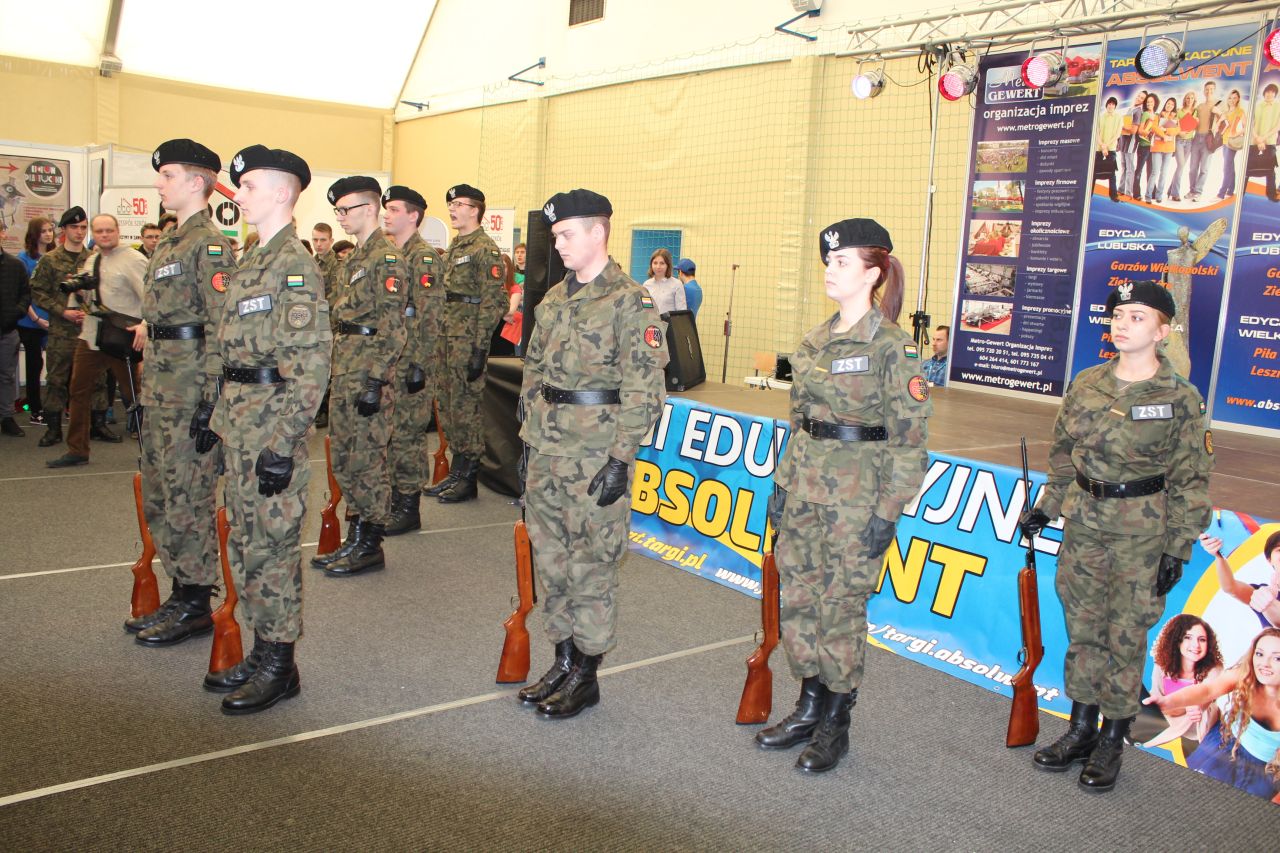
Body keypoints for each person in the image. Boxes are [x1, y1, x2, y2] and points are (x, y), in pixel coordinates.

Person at [1021, 280, 1213, 792]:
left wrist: (1177, 546)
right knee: (1083, 629)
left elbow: (1192, 479)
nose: (1122, 324)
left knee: (1125, 635)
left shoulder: (1181, 398)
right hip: (1084, 524)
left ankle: (1112, 738)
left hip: (1140, 533)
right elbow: (1064, 457)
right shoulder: (1087, 383)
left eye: (1137, 317)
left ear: (1163, 331)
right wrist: (1046, 507)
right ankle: (1081, 728)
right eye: (1118, 315)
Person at [756, 218, 930, 774]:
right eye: (828, 261)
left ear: (873, 273)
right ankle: (809, 705)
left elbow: (910, 440)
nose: (829, 270)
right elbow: (800, 422)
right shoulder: (815, 340)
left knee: (841, 607)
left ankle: (836, 719)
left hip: (858, 498)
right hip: (805, 488)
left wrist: (889, 510)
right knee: (799, 599)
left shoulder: (893, 347)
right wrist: (782, 488)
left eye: (842, 262)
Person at [517, 189, 668, 719]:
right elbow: (534, 370)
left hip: (595, 455)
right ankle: (562, 659)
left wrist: (621, 459)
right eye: (555, 235)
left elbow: (645, 388)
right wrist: (527, 439)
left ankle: (586, 672)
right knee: (551, 559)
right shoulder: (554, 299)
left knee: (592, 564)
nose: (558, 244)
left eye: (566, 234)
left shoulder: (630, 301)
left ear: (598, 232)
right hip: (547, 449)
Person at [205, 144, 331, 713]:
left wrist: (283, 444)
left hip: (270, 429)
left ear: (282, 192)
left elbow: (311, 365)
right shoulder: (254, 257)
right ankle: (261, 652)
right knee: (247, 542)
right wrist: (217, 420)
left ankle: (280, 664)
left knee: (273, 547)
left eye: (249, 185)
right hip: (240, 425)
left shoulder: (293, 266)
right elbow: (232, 351)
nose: (239, 195)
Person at [127, 138, 238, 646]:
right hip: (162, 388)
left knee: (189, 494)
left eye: (167, 174)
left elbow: (222, 327)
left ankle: (195, 598)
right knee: (161, 491)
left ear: (197, 182)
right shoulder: (171, 240)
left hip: (191, 391)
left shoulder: (209, 245)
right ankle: (180, 588)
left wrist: (212, 400)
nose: (159, 183)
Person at [308, 176, 407, 577]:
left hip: (367, 372)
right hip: (346, 368)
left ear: (369, 209)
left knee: (367, 459)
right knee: (345, 458)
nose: (340, 217)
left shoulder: (386, 258)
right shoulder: (354, 259)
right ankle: (356, 534)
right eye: (337, 211)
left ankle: (370, 543)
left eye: (345, 209)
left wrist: (375, 380)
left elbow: (394, 326)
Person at [46, 214, 146, 467]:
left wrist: (145, 326)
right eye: (99, 231)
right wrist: (79, 295)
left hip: (122, 337)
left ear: (118, 231)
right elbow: (86, 299)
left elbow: (151, 297)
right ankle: (77, 449)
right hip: (92, 335)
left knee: (134, 395)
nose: (104, 235)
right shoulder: (92, 260)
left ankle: (152, 450)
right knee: (78, 390)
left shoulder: (133, 260)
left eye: (109, 230)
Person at [425, 184, 504, 504]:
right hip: (446, 340)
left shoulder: (485, 249)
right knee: (448, 407)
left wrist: (479, 348)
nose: (452, 209)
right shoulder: (456, 247)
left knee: (466, 409)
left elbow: (493, 301)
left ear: (475, 210)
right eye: (451, 204)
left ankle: (468, 477)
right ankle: (456, 472)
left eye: (458, 204)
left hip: (467, 342)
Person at [1147, 627, 1280, 799]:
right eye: (1260, 654)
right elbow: (1208, 690)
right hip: (1225, 746)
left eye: (1277, 658)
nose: (1264, 664)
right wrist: (1168, 701)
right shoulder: (1246, 673)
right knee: (1186, 797)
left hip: (1266, 771)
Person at [379, 184, 443, 537]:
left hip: (411, 362)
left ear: (413, 216)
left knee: (408, 434)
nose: (386, 214)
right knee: (390, 433)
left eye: (394, 209)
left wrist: (418, 363)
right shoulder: (391, 254)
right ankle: (393, 498)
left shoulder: (423, 258)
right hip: (391, 359)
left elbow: (430, 314)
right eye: (386, 208)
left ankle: (408, 506)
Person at [29, 206, 91, 446]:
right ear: (64, 229)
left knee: (94, 381)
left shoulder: (93, 259)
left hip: (89, 330)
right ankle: (53, 429)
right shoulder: (50, 260)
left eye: (83, 227)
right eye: (74, 227)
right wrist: (61, 311)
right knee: (56, 380)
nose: (79, 232)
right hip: (61, 331)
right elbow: (37, 291)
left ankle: (95, 426)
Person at [1142, 614, 1224, 747]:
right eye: (1188, 637)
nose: (1196, 645)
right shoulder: (1162, 665)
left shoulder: (1215, 669)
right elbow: (1156, 695)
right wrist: (1182, 707)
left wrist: (1195, 706)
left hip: (1199, 729)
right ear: (1177, 640)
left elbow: (1206, 695)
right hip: (1167, 723)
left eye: (1202, 639)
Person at [1201, 528, 1280, 629]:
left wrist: (1271, 604)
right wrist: (1219, 555)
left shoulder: (1265, 596)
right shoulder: (1261, 593)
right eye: (1279, 550)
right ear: (1269, 560)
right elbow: (1230, 587)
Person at [17, 217, 53, 424]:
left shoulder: (54, 257)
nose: (48, 234)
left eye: (50, 230)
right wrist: (36, 318)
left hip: (52, 319)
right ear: (34, 234)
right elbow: (23, 293)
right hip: (30, 321)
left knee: (57, 365)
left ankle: (57, 406)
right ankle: (35, 408)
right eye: (43, 231)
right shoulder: (23, 259)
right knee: (34, 364)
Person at [0, 220, 31, 436]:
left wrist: (15, 314)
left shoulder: (15, 265)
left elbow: (26, 294)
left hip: (7, 331)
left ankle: (6, 417)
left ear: (2, 234)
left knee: (6, 376)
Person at [1188, 81, 1223, 202]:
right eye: (1207, 89)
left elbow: (1226, 120)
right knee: (1192, 168)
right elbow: (1191, 123)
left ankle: (1198, 192)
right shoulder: (1199, 106)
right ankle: (1191, 190)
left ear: (1214, 90)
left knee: (1204, 169)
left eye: (1211, 89)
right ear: (1204, 91)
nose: (1209, 91)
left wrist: (1219, 113)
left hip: (1208, 139)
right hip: (1196, 137)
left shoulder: (1219, 104)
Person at [1249, 83, 1280, 203]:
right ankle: (1242, 191)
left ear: (1275, 94)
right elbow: (1251, 124)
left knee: (1270, 169)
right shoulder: (1257, 105)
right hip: (1254, 141)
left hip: (1270, 141)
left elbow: (1278, 126)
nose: (1269, 94)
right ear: (1264, 93)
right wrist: (1257, 138)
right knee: (1247, 167)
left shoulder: (1278, 106)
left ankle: (1271, 194)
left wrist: (1263, 139)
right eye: (1267, 91)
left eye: (1272, 92)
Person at [1217, 89, 1246, 200]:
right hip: (1224, 141)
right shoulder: (1225, 112)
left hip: (1232, 142)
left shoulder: (1240, 111)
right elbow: (1218, 127)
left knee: (1226, 168)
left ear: (1238, 99)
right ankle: (1230, 190)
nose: (1232, 100)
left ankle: (1221, 193)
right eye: (1230, 98)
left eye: (1234, 98)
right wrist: (1220, 120)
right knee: (1230, 166)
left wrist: (1235, 134)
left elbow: (1246, 127)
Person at [1148, 98, 1179, 204]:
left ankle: (1159, 196)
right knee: (1155, 172)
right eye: (1168, 103)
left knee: (1164, 173)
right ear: (1165, 104)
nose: (1169, 106)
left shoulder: (1175, 117)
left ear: (1174, 107)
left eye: (1172, 104)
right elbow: (1154, 128)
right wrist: (1163, 136)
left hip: (1169, 149)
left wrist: (1166, 130)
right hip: (1157, 147)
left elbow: (1177, 130)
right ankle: (1148, 196)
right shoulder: (1158, 116)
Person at [1170, 91, 1198, 203]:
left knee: (1180, 167)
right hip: (1179, 141)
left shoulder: (1195, 112)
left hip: (1189, 142)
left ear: (1194, 100)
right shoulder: (1179, 111)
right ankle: (1175, 194)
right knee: (1181, 166)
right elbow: (1174, 126)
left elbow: (1195, 126)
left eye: (1192, 98)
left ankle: (1170, 190)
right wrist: (1179, 132)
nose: (1190, 100)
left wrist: (1196, 122)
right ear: (1185, 99)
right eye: (1188, 98)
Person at [1117, 90, 1145, 200]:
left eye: (1142, 98)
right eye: (1138, 96)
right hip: (1123, 141)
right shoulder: (1131, 109)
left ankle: (1128, 193)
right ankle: (1121, 189)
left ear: (1143, 101)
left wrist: (1121, 125)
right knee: (1124, 166)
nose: (1139, 98)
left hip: (1130, 143)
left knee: (1129, 168)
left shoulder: (1138, 112)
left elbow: (1133, 130)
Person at [641, 248, 686, 316]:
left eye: (662, 263)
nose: (658, 267)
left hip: (670, 322)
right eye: (655, 263)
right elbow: (646, 309)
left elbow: (682, 311)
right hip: (652, 322)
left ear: (668, 265)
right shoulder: (646, 285)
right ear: (651, 264)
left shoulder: (677, 284)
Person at [1095, 96, 1123, 203]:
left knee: (1112, 173)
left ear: (1115, 106)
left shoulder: (1118, 117)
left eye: (1113, 104)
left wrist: (1106, 146)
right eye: (1109, 104)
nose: (1111, 106)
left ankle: (1113, 196)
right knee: (1094, 173)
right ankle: (1089, 194)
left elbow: (1117, 134)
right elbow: (1097, 133)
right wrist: (1102, 145)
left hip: (1111, 149)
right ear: (1106, 105)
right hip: (1099, 148)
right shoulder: (1100, 117)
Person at [1132, 92, 1159, 200]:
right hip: (1144, 146)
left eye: (1151, 102)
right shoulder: (1145, 114)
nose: (1149, 103)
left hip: (1153, 147)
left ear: (1155, 102)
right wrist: (1148, 133)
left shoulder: (1156, 115)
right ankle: (1136, 193)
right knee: (1139, 170)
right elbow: (1140, 130)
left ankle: (1152, 192)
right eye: (1147, 102)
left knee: (1151, 171)